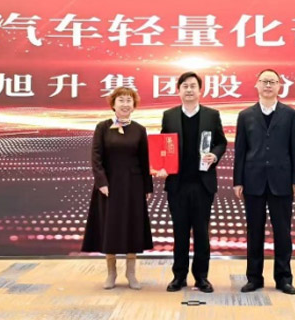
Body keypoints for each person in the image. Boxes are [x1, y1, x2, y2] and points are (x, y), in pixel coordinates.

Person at [233, 69, 295, 295]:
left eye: (273, 82)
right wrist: (238, 180)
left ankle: (283, 278)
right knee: (254, 232)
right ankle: (254, 278)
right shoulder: (245, 115)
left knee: (282, 232)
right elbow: (240, 151)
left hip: (281, 180)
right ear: (257, 85)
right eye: (264, 81)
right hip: (253, 180)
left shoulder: (291, 115)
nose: (268, 85)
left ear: (279, 86)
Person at [157, 71, 227, 293]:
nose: (189, 90)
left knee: (201, 233)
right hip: (177, 184)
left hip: (202, 184)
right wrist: (160, 165)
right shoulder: (169, 116)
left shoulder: (211, 115)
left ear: (200, 90)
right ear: (178, 90)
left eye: (193, 86)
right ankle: (179, 277)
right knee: (179, 233)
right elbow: (162, 145)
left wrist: (215, 155)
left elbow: (221, 142)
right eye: (185, 86)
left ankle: (201, 277)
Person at [81, 86, 153, 289]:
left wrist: (147, 187)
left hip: (133, 186)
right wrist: (101, 182)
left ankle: (131, 273)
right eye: (121, 100)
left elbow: (144, 160)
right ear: (113, 104)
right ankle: (111, 273)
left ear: (134, 105)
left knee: (132, 227)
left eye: (129, 100)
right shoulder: (102, 127)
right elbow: (96, 158)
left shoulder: (139, 129)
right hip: (109, 186)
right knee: (110, 227)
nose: (125, 104)